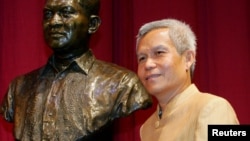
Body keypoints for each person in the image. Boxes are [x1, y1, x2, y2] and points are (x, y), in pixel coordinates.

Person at [0, 0, 152, 140]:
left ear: (92, 24)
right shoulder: (19, 88)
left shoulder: (122, 83)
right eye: (48, 14)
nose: (54, 22)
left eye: (65, 13)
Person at [135, 18, 239, 141]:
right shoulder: (147, 128)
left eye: (159, 52)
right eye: (142, 58)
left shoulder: (215, 107)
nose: (148, 64)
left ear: (188, 59)